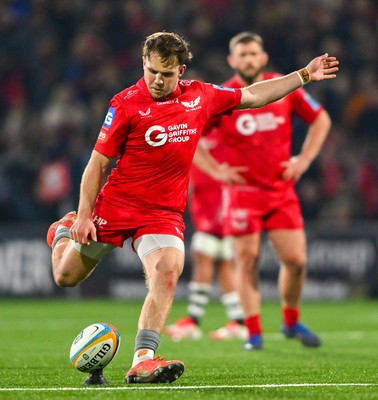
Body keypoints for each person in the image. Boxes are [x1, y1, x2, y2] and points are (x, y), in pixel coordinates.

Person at [46, 31, 338, 384]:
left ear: (181, 71)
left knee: (169, 269)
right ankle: (62, 230)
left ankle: (143, 359)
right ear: (144, 63)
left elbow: (254, 95)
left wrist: (303, 75)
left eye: (166, 74)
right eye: (151, 70)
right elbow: (97, 164)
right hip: (117, 205)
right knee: (66, 277)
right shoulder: (125, 104)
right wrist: (85, 215)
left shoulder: (201, 97)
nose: (156, 80)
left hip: (162, 214)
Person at [208, 32, 333, 351]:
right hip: (242, 193)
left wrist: (303, 161)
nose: (248, 59)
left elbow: (321, 120)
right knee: (246, 261)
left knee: (297, 261)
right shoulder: (223, 95)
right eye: (242, 55)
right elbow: (191, 134)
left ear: (263, 58)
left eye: (253, 54)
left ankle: (290, 322)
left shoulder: (285, 87)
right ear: (232, 61)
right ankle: (254, 333)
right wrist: (215, 170)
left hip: (280, 190)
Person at [165, 127, 247, 341]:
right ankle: (237, 321)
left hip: (222, 201)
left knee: (209, 256)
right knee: (220, 261)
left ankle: (196, 319)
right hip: (206, 201)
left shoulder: (224, 131)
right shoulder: (199, 130)